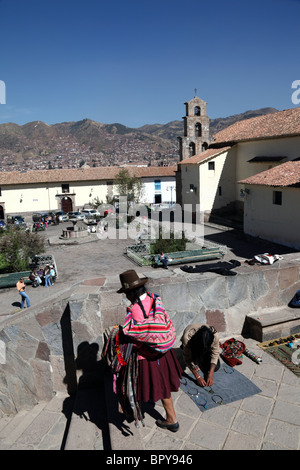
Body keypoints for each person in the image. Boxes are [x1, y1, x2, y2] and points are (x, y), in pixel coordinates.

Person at [115, 269, 182, 432]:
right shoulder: (154, 299)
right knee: (164, 385)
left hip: (148, 357)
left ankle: (133, 412)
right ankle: (171, 418)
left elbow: (137, 340)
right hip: (164, 351)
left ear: (131, 293)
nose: (126, 297)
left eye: (126, 293)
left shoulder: (135, 310)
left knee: (132, 383)